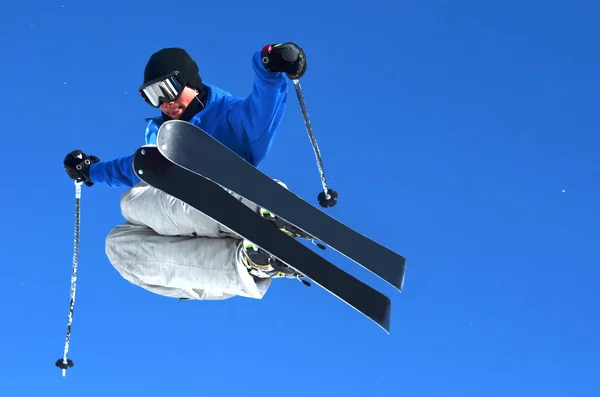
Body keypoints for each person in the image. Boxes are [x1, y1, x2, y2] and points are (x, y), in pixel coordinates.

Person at [63, 43, 308, 301]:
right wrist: (91, 171)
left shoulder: (228, 116)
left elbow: (262, 110)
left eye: (167, 89)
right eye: (152, 95)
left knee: (132, 202)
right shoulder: (161, 141)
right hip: (216, 268)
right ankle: (254, 261)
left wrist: (268, 67)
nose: (164, 102)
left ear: (190, 81)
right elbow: (128, 168)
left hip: (230, 198)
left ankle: (264, 210)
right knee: (118, 246)